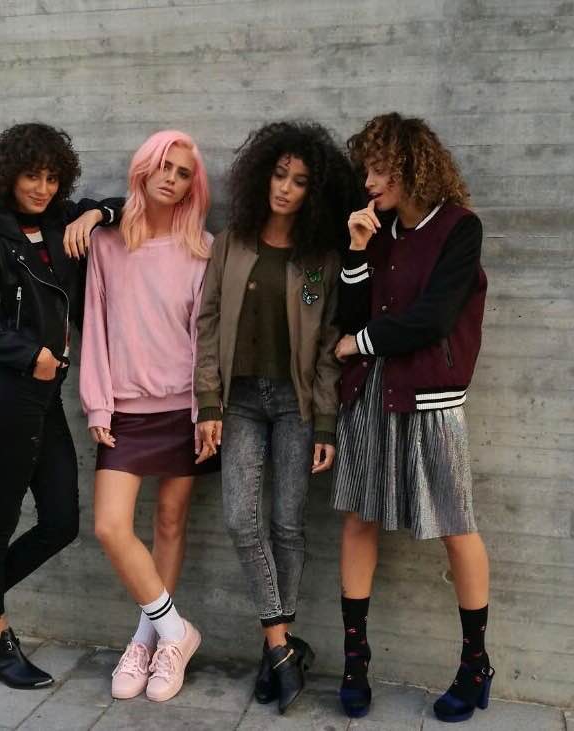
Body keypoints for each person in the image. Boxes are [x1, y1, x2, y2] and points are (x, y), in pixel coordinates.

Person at [0, 122, 121, 689]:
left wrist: (96, 215)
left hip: (45, 399)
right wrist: (31, 355)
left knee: (61, 523)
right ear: (8, 176)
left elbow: (124, 206)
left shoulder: (64, 222)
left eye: (51, 178)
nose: (42, 188)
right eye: (31, 177)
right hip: (9, 398)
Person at [332, 112, 491, 722]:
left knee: (455, 525)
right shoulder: (376, 230)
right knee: (359, 519)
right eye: (365, 171)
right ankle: (355, 664)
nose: (369, 182)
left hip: (431, 400)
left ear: (411, 166)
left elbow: (434, 318)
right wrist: (355, 250)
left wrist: (361, 344)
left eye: (380, 169)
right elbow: (350, 316)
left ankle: (475, 666)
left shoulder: (459, 228)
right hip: (372, 396)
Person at [195, 121, 359, 714]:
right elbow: (207, 323)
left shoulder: (321, 259)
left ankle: (277, 656)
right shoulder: (231, 242)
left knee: (288, 525)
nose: (285, 188)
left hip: (296, 404)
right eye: (279, 174)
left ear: (316, 192)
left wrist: (325, 423)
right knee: (241, 520)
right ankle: (281, 646)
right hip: (239, 400)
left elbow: (328, 348)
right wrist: (207, 403)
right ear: (262, 174)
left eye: (300, 181)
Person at [79, 130, 215, 703]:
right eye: (164, 166)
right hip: (125, 411)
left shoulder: (202, 248)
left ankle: (149, 643)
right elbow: (94, 324)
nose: (171, 179)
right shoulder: (107, 242)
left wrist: (207, 409)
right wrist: (98, 401)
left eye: (183, 173)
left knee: (169, 522)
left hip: (183, 409)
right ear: (143, 169)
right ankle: (177, 631)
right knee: (111, 526)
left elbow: (205, 339)